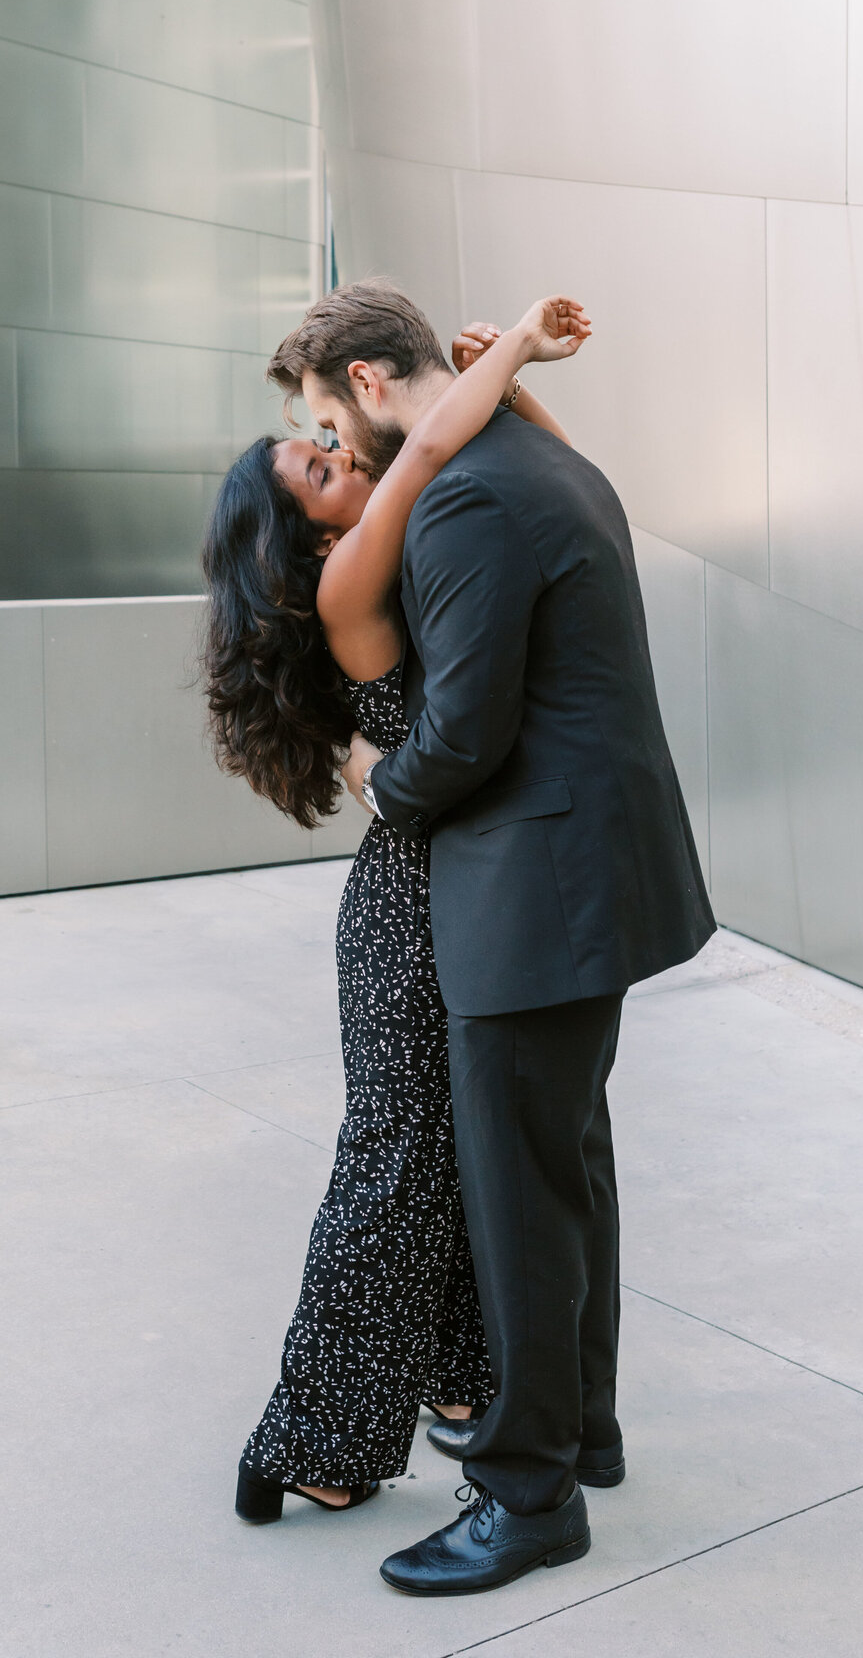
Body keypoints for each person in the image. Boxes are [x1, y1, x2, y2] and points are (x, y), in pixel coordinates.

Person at [267, 280, 716, 1596]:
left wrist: (370, 776)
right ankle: (580, 1426)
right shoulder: (542, 460)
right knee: (565, 1164)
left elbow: (460, 735)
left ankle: (527, 1496)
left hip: (534, 889)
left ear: (361, 381)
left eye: (323, 422)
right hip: (594, 874)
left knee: (519, 1197)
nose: (335, 451)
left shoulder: (462, 498)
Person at [202, 293, 591, 1527]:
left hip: (436, 881)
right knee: (400, 1167)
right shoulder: (353, 570)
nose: (346, 458)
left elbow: (545, 485)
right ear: (302, 537)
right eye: (320, 464)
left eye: (331, 438)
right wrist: (518, 349)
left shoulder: (397, 539)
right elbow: (426, 443)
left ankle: (474, 1387)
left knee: (449, 1163)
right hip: (410, 903)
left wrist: (513, 390)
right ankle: (311, 1437)